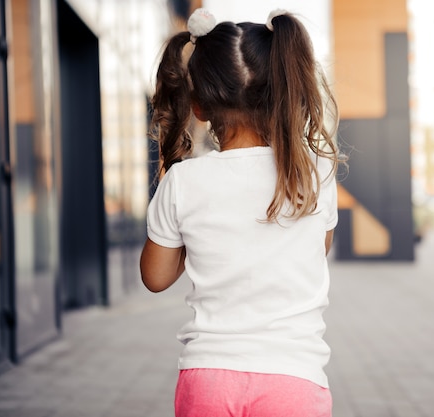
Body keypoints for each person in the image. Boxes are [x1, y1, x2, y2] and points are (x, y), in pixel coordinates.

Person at [139, 8, 343, 417]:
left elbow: (156, 277)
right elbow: (315, 251)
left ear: (198, 105)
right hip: (294, 378)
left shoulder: (184, 181)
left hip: (209, 377)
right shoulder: (314, 173)